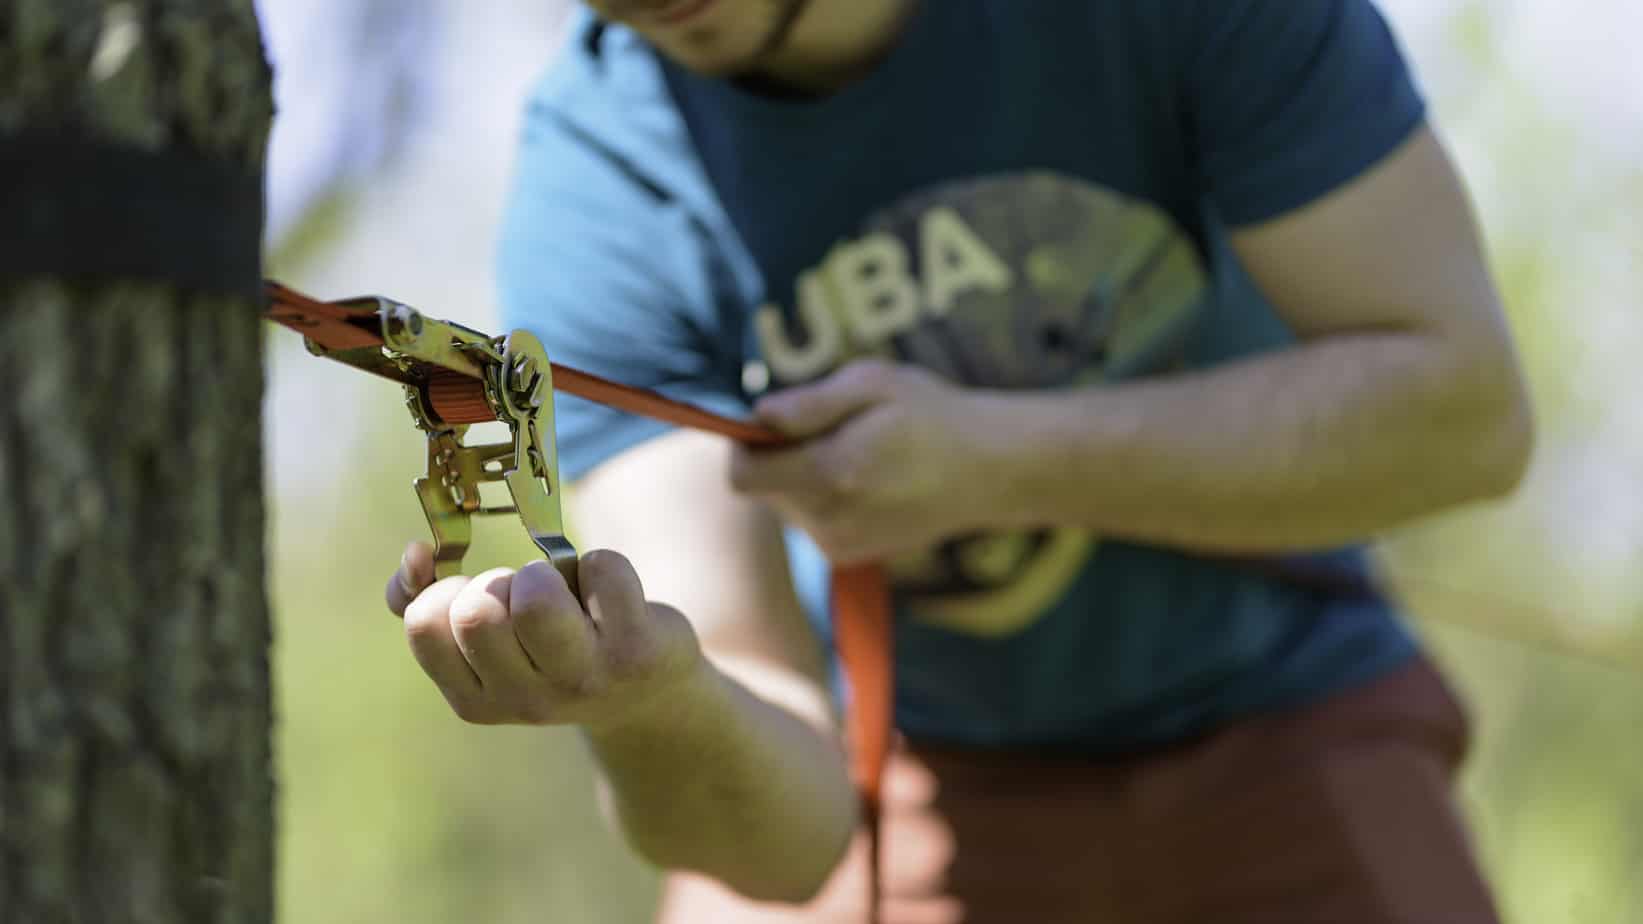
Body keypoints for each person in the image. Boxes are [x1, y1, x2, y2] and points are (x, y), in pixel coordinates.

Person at [384, 1, 1532, 921]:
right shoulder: (601, 177)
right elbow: (777, 845)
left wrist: (1003, 461)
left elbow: (1466, 418)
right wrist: (646, 702)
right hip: (900, 768)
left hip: (1288, 724)